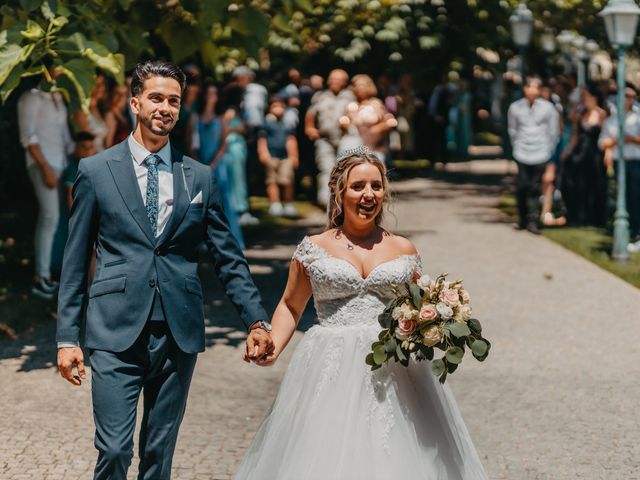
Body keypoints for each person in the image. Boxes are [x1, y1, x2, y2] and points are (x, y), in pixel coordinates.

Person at [56, 61, 274, 480]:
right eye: (156, 98)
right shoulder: (96, 171)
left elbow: (227, 256)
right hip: (115, 328)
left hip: (178, 330)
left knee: (159, 454)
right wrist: (68, 337)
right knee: (115, 450)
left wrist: (255, 319)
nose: (165, 107)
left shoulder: (200, 177)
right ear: (135, 102)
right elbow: (74, 258)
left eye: (173, 100)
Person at [235, 145, 486, 479]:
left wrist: (436, 321)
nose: (369, 194)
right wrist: (273, 346)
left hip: (394, 368)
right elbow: (291, 305)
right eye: (358, 186)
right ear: (340, 191)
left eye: (376, 186)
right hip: (331, 365)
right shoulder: (313, 248)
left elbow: (416, 304)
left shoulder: (403, 249)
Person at [17, 73, 74, 299]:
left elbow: (64, 134)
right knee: (49, 217)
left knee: (56, 219)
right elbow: (28, 137)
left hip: (61, 162)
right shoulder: (30, 98)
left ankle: (52, 271)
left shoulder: (58, 97)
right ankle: (41, 277)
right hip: (43, 165)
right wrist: (46, 168)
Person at [507, 76, 560, 234]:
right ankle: (523, 217)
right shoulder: (515, 108)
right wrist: (516, 146)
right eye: (530, 87)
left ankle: (532, 219)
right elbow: (513, 130)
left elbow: (553, 131)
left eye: (536, 87)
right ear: (525, 89)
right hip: (522, 151)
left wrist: (549, 149)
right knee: (522, 185)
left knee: (535, 186)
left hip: (540, 151)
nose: (532, 91)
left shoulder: (548, 108)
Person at [598, 82, 640, 252]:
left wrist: (631, 139)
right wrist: (616, 140)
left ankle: (636, 232)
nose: (628, 100)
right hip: (618, 161)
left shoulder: (638, 117)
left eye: (632, 97)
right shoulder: (612, 120)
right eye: (625, 96)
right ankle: (624, 230)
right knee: (620, 196)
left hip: (635, 160)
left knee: (635, 196)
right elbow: (603, 142)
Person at [305, 69, 355, 207]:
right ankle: (327, 202)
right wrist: (309, 128)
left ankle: (346, 202)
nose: (334, 82)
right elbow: (310, 114)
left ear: (345, 82)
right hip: (324, 139)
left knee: (346, 170)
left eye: (338, 80)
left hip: (345, 139)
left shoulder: (350, 96)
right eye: (332, 79)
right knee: (326, 168)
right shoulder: (320, 96)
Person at [560, 83, 608, 227]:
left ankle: (595, 218)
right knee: (578, 185)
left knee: (595, 186)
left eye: (585, 96)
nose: (583, 99)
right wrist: (567, 152)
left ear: (594, 97)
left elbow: (606, 135)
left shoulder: (601, 114)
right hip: (580, 153)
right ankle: (578, 216)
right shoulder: (581, 113)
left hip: (595, 154)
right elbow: (575, 135)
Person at [339, 74, 397, 161]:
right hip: (354, 147)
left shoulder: (376, 104)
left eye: (362, 85)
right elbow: (343, 121)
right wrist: (345, 124)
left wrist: (377, 129)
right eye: (356, 86)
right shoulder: (351, 105)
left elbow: (391, 121)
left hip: (374, 147)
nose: (359, 88)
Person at [258, 97, 299, 217]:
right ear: (270, 109)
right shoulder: (266, 124)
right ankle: (275, 205)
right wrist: (263, 153)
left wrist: (294, 156)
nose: (278, 109)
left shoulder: (287, 124)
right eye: (275, 106)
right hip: (271, 156)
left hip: (286, 157)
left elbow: (291, 140)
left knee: (288, 181)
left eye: (281, 106)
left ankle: (288, 204)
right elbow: (262, 140)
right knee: (272, 181)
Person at [73, 73, 108, 152]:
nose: (101, 87)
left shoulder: (97, 107)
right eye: (97, 84)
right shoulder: (81, 109)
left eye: (102, 83)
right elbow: (84, 145)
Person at [104, 83, 131, 148]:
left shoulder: (123, 113)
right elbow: (108, 144)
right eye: (117, 93)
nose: (121, 97)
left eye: (124, 94)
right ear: (111, 94)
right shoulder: (110, 115)